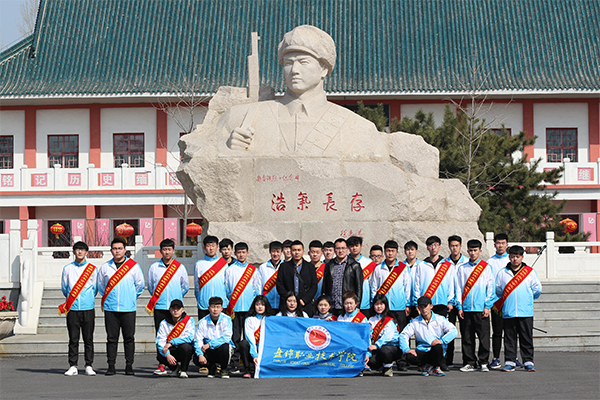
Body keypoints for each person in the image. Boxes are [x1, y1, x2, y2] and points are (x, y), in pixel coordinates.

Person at [224, 25, 387, 160]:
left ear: (323, 69)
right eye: (288, 63)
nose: (294, 70)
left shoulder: (358, 128)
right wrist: (227, 149)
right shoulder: (244, 118)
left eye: (303, 62)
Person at [97, 237, 145, 376]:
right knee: (111, 338)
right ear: (111, 250)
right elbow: (101, 286)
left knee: (129, 338)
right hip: (110, 308)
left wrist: (130, 297)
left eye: (120, 248)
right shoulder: (105, 267)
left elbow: (140, 285)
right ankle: (111, 365)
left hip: (128, 308)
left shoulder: (133, 266)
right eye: (114, 248)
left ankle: (129, 365)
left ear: (125, 250)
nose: (117, 251)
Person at [494, 245, 542, 372]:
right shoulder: (502, 273)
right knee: (509, 338)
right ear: (509, 257)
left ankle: (528, 361)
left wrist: (527, 300)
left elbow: (537, 289)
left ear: (522, 257)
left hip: (525, 311)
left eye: (517, 256)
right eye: (512, 256)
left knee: (526, 337)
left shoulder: (530, 272)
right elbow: (498, 290)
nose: (515, 259)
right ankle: (510, 361)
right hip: (509, 311)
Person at [147, 238, 189, 376]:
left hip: (176, 309)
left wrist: (176, 299)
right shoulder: (154, 268)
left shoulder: (180, 267)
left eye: (169, 249)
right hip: (160, 306)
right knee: (160, 336)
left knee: (178, 334)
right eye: (164, 249)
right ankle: (162, 364)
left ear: (173, 251)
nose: (167, 252)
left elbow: (185, 286)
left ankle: (177, 363)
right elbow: (151, 286)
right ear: (160, 251)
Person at [413, 235, 456, 370]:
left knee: (442, 332)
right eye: (430, 245)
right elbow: (417, 285)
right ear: (427, 248)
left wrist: (450, 301)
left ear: (440, 247)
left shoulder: (447, 265)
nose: (433, 248)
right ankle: (424, 360)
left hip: (442, 304)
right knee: (424, 331)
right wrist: (417, 302)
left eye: (435, 245)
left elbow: (451, 284)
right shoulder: (421, 265)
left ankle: (442, 360)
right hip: (425, 305)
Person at [59, 241, 98, 376]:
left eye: (82, 250)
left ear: (87, 252)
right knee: (73, 338)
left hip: (88, 308)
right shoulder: (67, 269)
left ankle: (89, 365)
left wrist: (87, 298)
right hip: (72, 309)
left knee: (88, 339)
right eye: (77, 249)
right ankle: (73, 365)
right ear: (74, 252)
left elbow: (95, 288)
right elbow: (65, 288)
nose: (80, 252)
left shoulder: (92, 269)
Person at [455, 239, 494, 372]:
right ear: (467, 251)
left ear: (480, 251)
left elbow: (490, 288)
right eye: (470, 250)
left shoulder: (486, 267)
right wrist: (459, 306)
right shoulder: (462, 268)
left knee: (484, 337)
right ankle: (470, 362)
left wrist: (487, 306)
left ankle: (483, 361)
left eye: (475, 250)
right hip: (466, 308)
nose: (472, 253)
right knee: (467, 337)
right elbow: (458, 288)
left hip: (481, 308)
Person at [224, 242, 261, 373]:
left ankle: (249, 363)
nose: (241, 255)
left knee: (249, 337)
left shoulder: (253, 270)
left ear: (247, 253)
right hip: (235, 309)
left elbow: (257, 289)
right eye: (239, 252)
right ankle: (234, 363)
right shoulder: (229, 270)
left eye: (243, 252)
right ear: (235, 253)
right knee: (235, 336)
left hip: (249, 309)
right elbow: (227, 289)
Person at [400, 296, 457, 377]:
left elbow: (453, 331)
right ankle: (427, 366)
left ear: (431, 306)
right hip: (423, 350)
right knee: (409, 356)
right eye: (421, 307)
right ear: (418, 308)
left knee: (437, 347)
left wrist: (442, 341)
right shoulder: (414, 322)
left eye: (425, 306)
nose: (424, 309)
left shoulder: (440, 319)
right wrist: (406, 349)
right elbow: (403, 335)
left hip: (436, 350)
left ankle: (435, 367)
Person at [371, 240, 411, 333]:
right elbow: (374, 288)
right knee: (384, 332)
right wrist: (375, 303)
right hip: (383, 308)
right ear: (384, 252)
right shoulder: (378, 268)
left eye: (393, 251)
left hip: (399, 307)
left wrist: (407, 304)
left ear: (397, 252)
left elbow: (407, 288)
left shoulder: (403, 268)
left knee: (401, 332)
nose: (390, 253)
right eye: (388, 251)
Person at [193, 297, 233, 378]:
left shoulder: (227, 319)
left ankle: (224, 369)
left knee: (225, 346)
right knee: (196, 358)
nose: (215, 310)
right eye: (213, 307)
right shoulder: (202, 322)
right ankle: (211, 367)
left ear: (221, 309)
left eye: (218, 307)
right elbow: (198, 339)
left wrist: (210, 344)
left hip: (221, 349)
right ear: (209, 308)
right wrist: (200, 354)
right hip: (209, 350)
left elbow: (227, 337)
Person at [443, 235, 467, 368]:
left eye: (456, 246)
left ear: (460, 246)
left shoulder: (467, 262)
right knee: (449, 331)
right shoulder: (444, 264)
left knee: (466, 333)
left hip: (464, 303)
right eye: (452, 246)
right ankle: (448, 360)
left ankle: (467, 361)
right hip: (450, 304)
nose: (454, 248)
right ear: (449, 247)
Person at [322, 238, 363, 316]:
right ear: (335, 250)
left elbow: (359, 287)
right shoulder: (329, 265)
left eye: (343, 248)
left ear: (347, 249)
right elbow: (325, 286)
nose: (341, 251)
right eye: (338, 248)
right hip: (332, 306)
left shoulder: (354, 265)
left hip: (347, 306)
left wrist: (357, 305)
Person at [276, 240, 318, 316]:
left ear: (303, 252)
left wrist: (304, 300)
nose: (296, 252)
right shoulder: (284, 266)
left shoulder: (310, 267)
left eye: (299, 250)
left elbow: (314, 286)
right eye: (294, 250)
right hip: (287, 306)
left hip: (305, 305)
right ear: (291, 252)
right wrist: (289, 300)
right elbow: (279, 285)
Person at [486, 233, 509, 369]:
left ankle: (512, 358)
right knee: (497, 331)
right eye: (498, 243)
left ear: (507, 244)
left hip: (510, 301)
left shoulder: (512, 260)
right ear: (494, 245)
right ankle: (495, 358)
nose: (500, 245)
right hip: (496, 303)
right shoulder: (490, 262)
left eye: (503, 243)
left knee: (511, 332)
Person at [155, 299, 195, 378]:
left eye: (178, 309)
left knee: (187, 347)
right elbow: (160, 341)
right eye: (173, 309)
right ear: (170, 310)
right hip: (171, 350)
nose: (175, 311)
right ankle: (175, 369)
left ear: (182, 310)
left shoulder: (189, 320)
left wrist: (172, 342)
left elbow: (189, 337)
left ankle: (183, 370)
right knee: (161, 353)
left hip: (182, 348)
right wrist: (167, 355)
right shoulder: (164, 323)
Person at [366, 294, 402, 377]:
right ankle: (381, 365)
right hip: (377, 347)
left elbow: (388, 336)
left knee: (385, 350)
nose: (379, 307)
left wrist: (376, 345)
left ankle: (388, 367)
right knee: (371, 361)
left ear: (385, 305)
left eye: (381, 304)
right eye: (376, 304)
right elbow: (368, 336)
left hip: (391, 347)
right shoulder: (371, 319)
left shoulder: (390, 320)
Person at [195, 235, 229, 321]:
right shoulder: (199, 264)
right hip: (204, 305)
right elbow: (196, 285)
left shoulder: (224, 264)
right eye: (208, 246)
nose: (211, 248)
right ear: (204, 247)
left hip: (221, 304)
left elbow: (227, 284)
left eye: (213, 246)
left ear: (217, 247)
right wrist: (200, 299)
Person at [239, 295, 274, 378]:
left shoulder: (271, 319)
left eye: (262, 304)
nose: (260, 307)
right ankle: (247, 369)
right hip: (253, 351)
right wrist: (255, 355)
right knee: (243, 343)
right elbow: (250, 339)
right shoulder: (250, 320)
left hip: (266, 350)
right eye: (257, 304)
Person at [347, 236, 377, 318]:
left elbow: (373, 284)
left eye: (356, 245)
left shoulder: (369, 263)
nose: (354, 248)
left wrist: (373, 301)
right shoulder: (344, 262)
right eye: (352, 246)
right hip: (348, 304)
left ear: (361, 246)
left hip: (365, 304)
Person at [259, 241, 284, 310]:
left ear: (282, 252)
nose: (275, 254)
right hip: (267, 303)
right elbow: (259, 285)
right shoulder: (263, 267)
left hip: (282, 303)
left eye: (278, 251)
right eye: (273, 251)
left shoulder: (285, 266)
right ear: (270, 251)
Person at [403, 241, 420, 321]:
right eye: (408, 249)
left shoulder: (422, 266)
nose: (410, 252)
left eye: (412, 249)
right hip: (404, 304)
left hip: (418, 304)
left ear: (416, 251)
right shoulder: (400, 266)